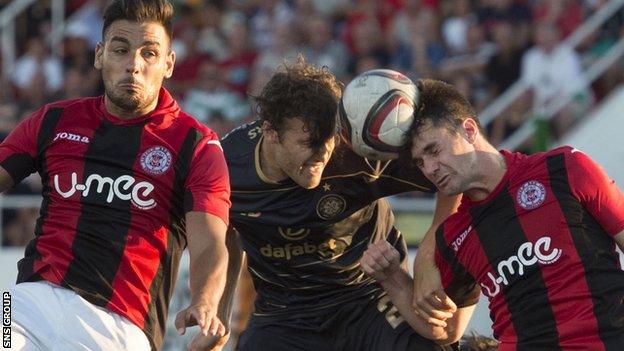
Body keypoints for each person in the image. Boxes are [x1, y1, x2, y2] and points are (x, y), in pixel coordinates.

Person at [0, 1, 232, 350]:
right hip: (25, 305)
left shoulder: (196, 145)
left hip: (118, 326)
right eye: (121, 50)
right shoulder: (54, 120)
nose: (134, 65)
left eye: (149, 53)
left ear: (168, 63)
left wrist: (204, 300)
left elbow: (211, 243)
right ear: (99, 55)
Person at [190, 58, 461, 351]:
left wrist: (433, 244)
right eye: (309, 143)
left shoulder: (358, 153)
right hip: (284, 314)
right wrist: (220, 316)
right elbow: (227, 232)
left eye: (328, 140)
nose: (323, 155)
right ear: (270, 132)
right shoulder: (226, 166)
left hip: (366, 296)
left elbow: (455, 170)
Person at [362, 78, 624, 350]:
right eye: (420, 162)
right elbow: (447, 330)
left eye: (434, 150)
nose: (430, 169)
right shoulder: (454, 235)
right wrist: (392, 278)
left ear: (469, 130)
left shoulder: (564, 168)